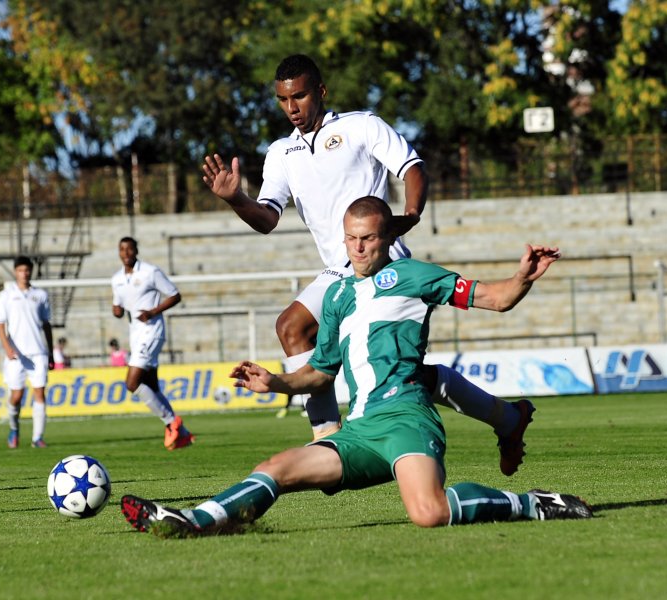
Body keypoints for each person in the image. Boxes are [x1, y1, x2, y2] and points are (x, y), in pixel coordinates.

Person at [120, 197, 592, 534]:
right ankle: (193, 520)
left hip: (407, 418)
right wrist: (278, 382)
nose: (358, 248)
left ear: (387, 238)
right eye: (350, 239)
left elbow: (496, 298)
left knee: (427, 512)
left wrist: (522, 277)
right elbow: (321, 373)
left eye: (367, 238)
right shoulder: (338, 298)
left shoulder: (414, 276)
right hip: (360, 432)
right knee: (275, 468)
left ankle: (533, 504)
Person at [202, 54, 534, 476]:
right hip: (340, 273)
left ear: (321, 91)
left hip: (384, 264)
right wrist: (236, 199)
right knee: (305, 333)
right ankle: (330, 436)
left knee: (395, 373)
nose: (292, 107)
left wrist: (410, 215)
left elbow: (412, 167)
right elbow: (266, 218)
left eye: (300, 95)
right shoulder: (281, 153)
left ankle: (503, 420)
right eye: (284, 99)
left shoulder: (360, 126)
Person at [112, 236, 194, 450]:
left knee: (132, 383)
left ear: (136, 251)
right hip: (135, 334)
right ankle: (183, 435)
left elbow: (175, 295)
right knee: (150, 385)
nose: (126, 252)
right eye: (122, 249)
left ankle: (171, 422)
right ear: (119, 253)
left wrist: (153, 311)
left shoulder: (150, 272)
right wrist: (117, 310)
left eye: (130, 249)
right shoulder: (117, 279)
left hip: (152, 332)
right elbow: (118, 307)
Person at [0, 255, 54, 449]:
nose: (24, 273)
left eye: (27, 270)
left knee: (40, 393)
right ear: (15, 272)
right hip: (16, 354)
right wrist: (7, 348)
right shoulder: (6, 295)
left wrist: (51, 352)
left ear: (31, 271)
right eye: (20, 270)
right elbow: (0, 324)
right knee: (16, 396)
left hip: (38, 352)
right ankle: (14, 428)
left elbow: (47, 325)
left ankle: (38, 438)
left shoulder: (40, 295)